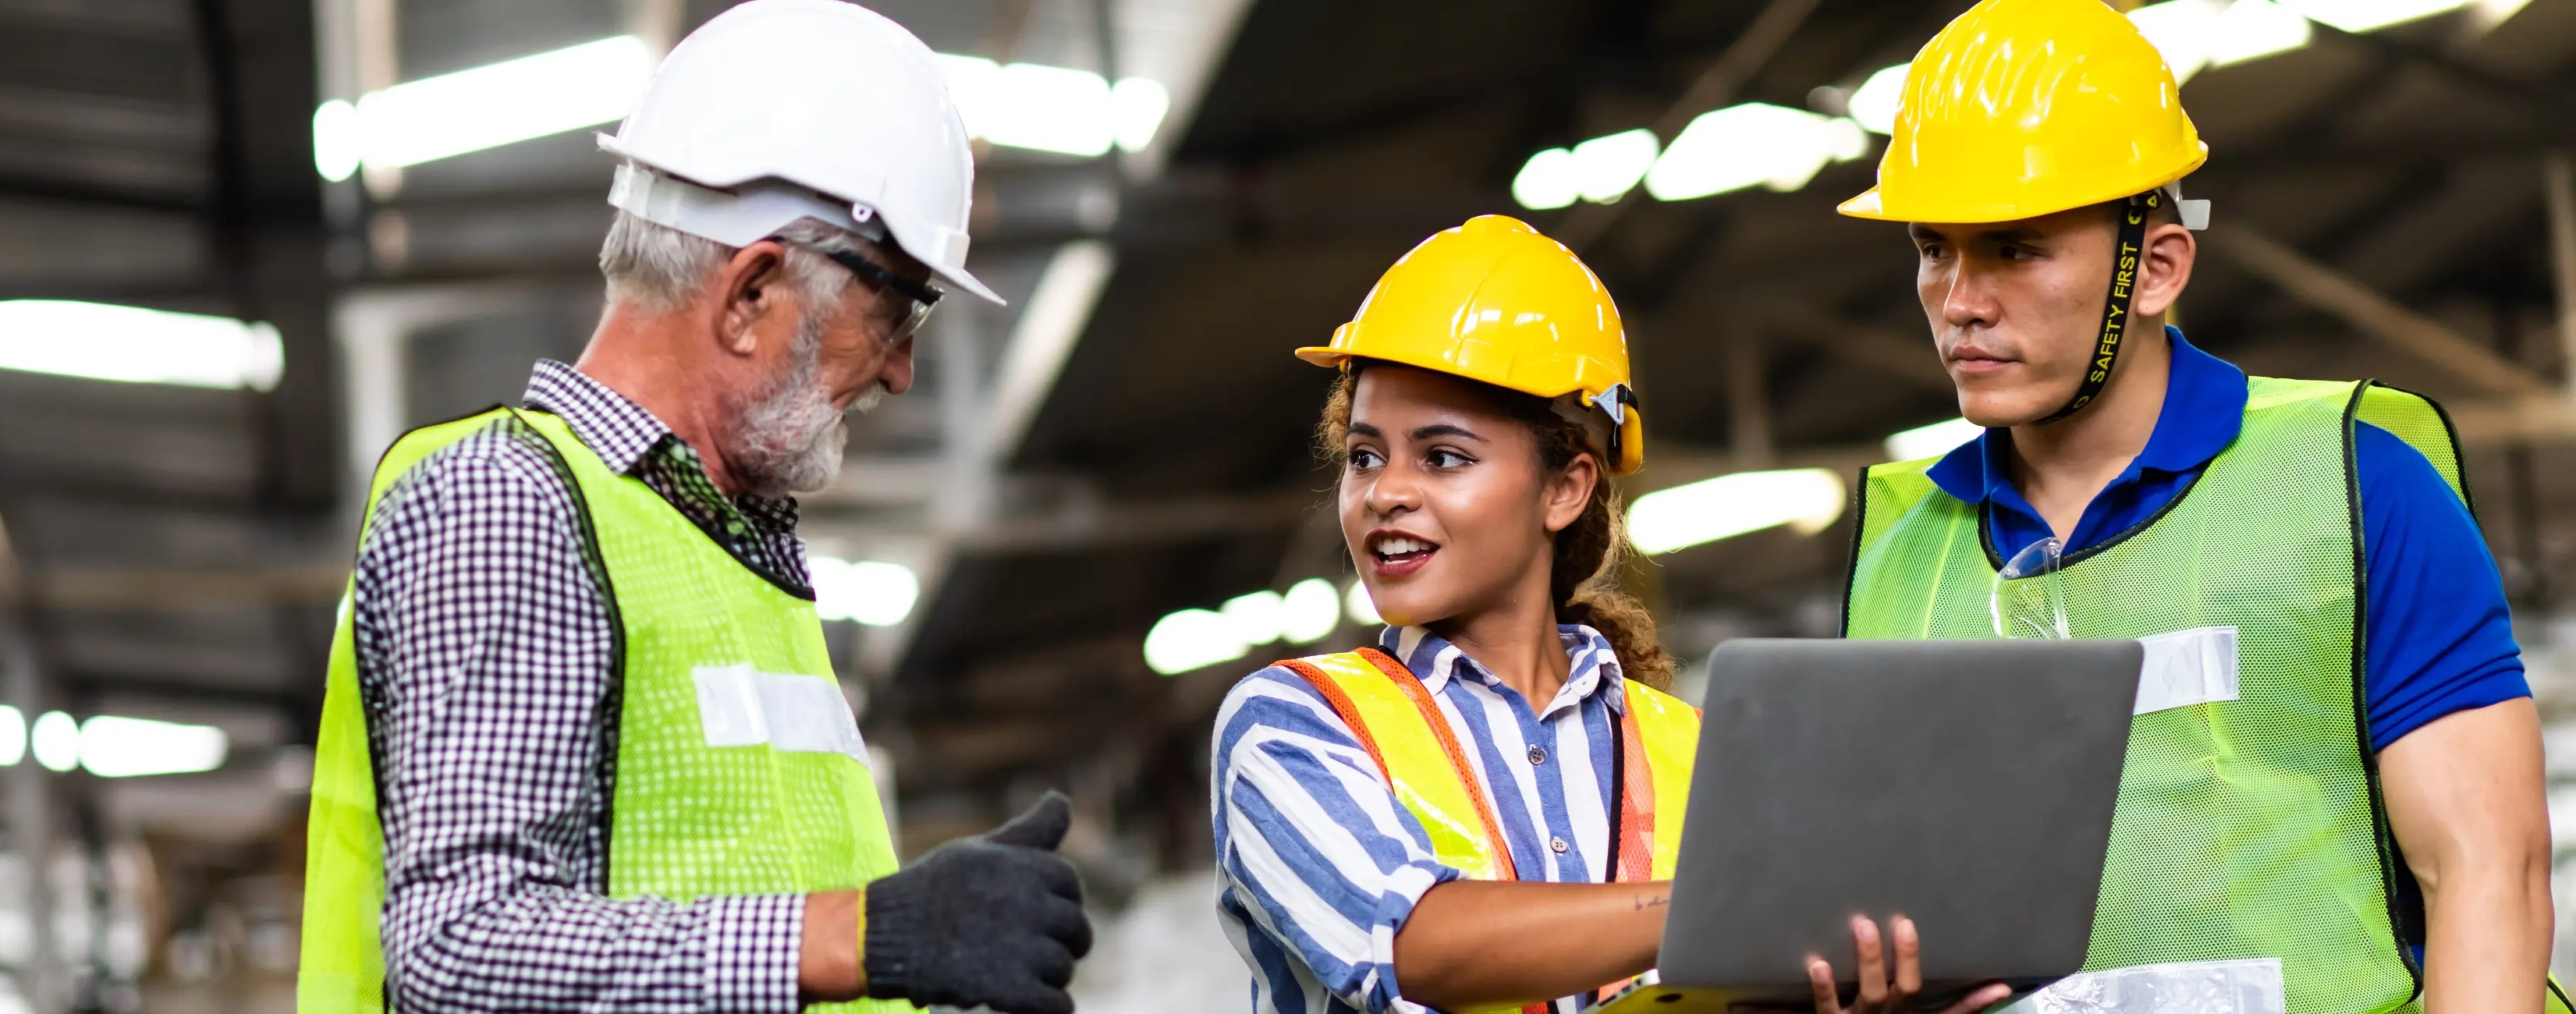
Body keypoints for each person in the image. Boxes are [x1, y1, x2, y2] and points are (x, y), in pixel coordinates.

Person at [292, 3, 1091, 1012]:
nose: (901, 369)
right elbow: (461, 945)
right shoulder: (505, 501)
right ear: (752, 291)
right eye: (894, 310)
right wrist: (861, 933)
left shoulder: (723, 554)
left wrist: (912, 938)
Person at [1838, 0, 2559, 1010]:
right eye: (1932, 249)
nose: (1960, 299)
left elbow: (2487, 875)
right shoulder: (1897, 562)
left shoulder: (2354, 484)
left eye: (2014, 248)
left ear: (2158, 268)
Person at [1210, 215, 2008, 1014]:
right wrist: (1731, 908)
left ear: (1566, 487)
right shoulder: (1292, 725)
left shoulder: (1711, 756)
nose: (1385, 492)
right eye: (1364, 455)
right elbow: (1412, 943)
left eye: (1443, 456)